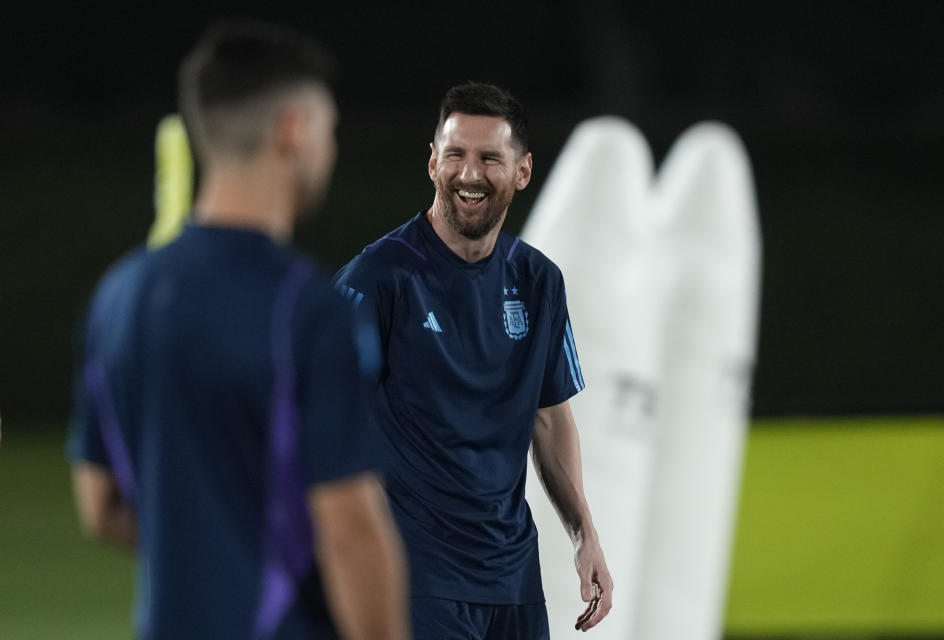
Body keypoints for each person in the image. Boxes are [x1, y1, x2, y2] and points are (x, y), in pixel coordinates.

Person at [67, 21, 409, 640]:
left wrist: (213, 551)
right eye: (328, 129)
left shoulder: (117, 296)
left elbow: (100, 506)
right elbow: (351, 531)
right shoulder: (304, 308)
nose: (329, 150)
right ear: (292, 130)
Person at [333, 82, 612, 638]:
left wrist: (585, 536)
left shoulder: (539, 282)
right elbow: (315, 411)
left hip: (513, 583)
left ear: (523, 170)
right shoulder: (379, 278)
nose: (469, 173)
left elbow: (550, 417)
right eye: (455, 154)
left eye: (490, 158)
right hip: (414, 579)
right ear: (433, 162)